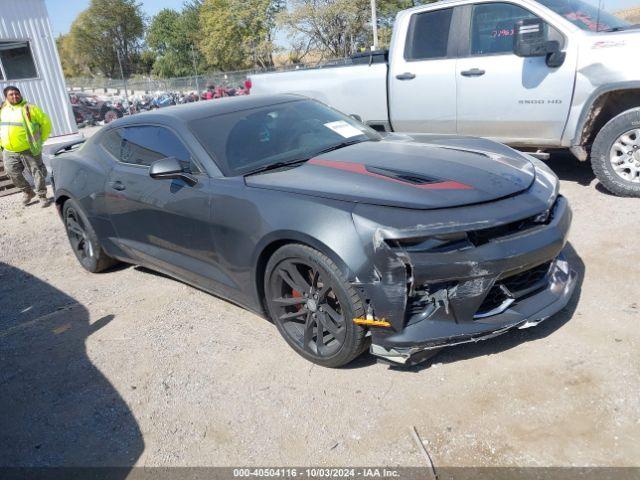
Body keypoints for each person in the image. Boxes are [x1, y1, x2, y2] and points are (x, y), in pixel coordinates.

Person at [0, 86, 52, 206]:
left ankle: (42, 195)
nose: (14, 96)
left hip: (29, 148)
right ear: (6, 97)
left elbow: (46, 124)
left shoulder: (30, 108)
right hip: (9, 150)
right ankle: (28, 192)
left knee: (37, 172)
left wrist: (40, 140)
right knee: (11, 172)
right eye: (11, 94)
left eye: (16, 93)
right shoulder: (3, 109)